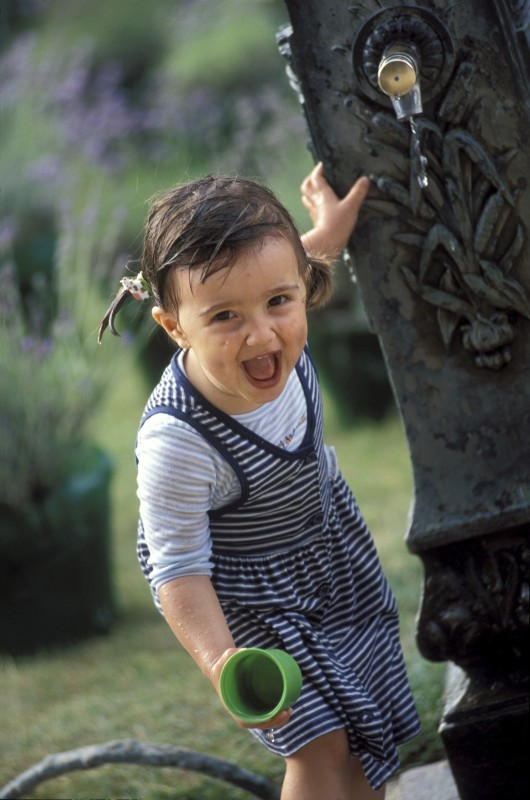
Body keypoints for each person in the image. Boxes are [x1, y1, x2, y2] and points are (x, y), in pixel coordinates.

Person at [99, 162, 420, 800]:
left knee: (362, 727)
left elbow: (293, 263)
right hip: (247, 604)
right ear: (173, 327)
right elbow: (178, 571)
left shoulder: (275, 293)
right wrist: (222, 663)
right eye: (223, 318)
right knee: (318, 746)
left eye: (279, 302)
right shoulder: (179, 442)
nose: (261, 331)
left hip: (328, 560)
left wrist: (329, 229)